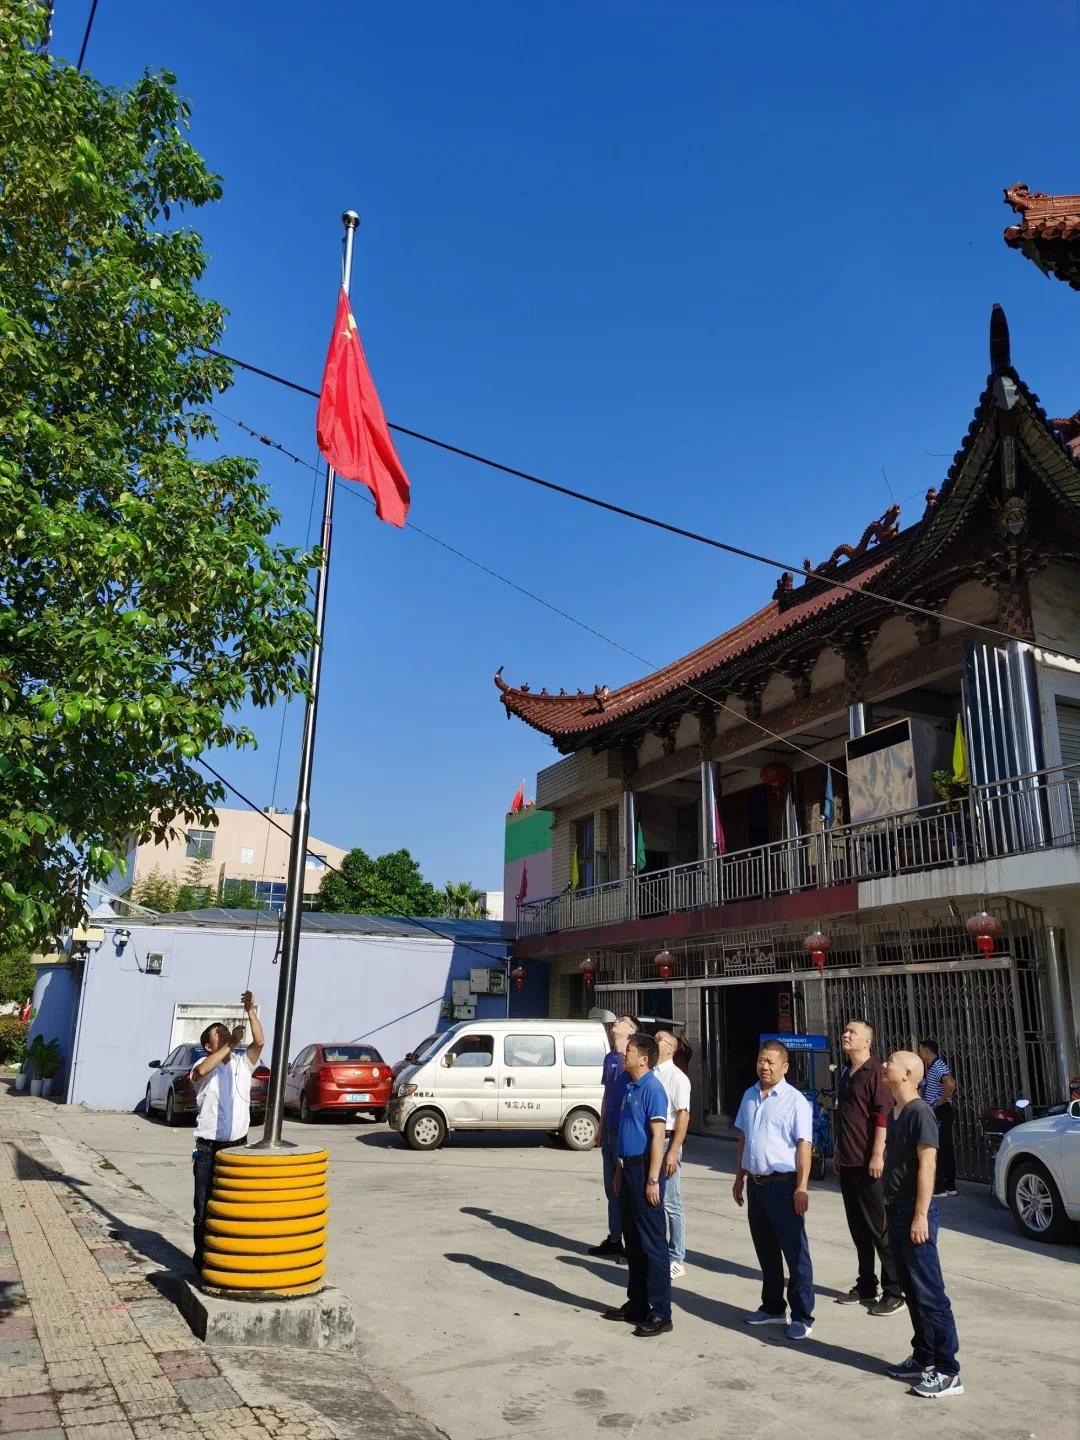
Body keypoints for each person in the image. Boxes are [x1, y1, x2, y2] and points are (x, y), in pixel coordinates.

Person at [881, 1050, 963, 1399]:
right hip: (895, 1211)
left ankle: (948, 1371)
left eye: (892, 1061)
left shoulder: (920, 1113)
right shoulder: (896, 1112)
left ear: (910, 1073)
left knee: (930, 1293)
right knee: (912, 1291)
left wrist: (919, 1214)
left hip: (914, 1214)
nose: (886, 1064)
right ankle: (923, 1357)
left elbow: (927, 1167)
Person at [733, 1040, 815, 1341]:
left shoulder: (796, 1101)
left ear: (784, 1067)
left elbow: (804, 1146)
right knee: (766, 1251)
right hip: (756, 1185)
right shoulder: (749, 1096)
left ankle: (803, 1315)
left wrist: (802, 1187)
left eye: (770, 1062)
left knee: (795, 1253)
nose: (764, 1066)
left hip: (784, 1186)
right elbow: (744, 1138)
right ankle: (772, 1307)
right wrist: (739, 1176)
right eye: (761, 1060)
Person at [602, 1032, 672, 1337]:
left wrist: (653, 1179)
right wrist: (619, 1169)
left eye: (629, 1051)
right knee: (633, 1242)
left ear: (643, 1058)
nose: (624, 1054)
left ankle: (661, 1312)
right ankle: (637, 1303)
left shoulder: (652, 1089)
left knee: (653, 1244)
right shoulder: (630, 1087)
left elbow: (658, 1137)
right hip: (628, 1169)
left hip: (646, 1170)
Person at [190, 991, 264, 1271]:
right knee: (204, 1207)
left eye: (225, 1032)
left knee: (234, 1206)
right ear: (209, 1046)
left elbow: (259, 1042)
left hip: (237, 1146)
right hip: (208, 1148)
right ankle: (203, 1262)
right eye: (218, 1034)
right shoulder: (202, 1065)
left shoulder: (242, 1064)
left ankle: (229, 1260)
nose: (223, 1034)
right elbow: (201, 1072)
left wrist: (250, 1011)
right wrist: (230, 1043)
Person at [833, 1019, 904, 1314]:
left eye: (853, 1033)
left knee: (879, 1227)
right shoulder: (847, 1073)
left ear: (867, 1041)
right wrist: (837, 1151)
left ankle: (895, 1289)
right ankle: (866, 1284)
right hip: (847, 1161)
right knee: (858, 1228)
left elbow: (882, 1116)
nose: (846, 1035)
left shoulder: (875, 1072)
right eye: (845, 1031)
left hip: (869, 1164)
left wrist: (878, 1154)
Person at [589, 1013, 639, 1260]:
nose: (616, 1022)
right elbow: (608, 1093)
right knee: (611, 1187)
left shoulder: (634, 1063)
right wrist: (600, 1124)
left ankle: (632, 1241)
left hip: (623, 1131)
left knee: (626, 1187)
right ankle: (614, 1238)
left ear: (631, 1031)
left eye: (622, 1021)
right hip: (608, 1128)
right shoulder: (610, 1058)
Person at [654, 1029, 691, 1279]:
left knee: (671, 1201)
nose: (654, 1042)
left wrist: (673, 1150)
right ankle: (658, 1252)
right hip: (652, 1140)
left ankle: (677, 1257)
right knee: (653, 1197)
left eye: (659, 1039)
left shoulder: (677, 1077)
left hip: (668, 1141)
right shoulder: (650, 1075)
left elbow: (683, 1115)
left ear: (670, 1048)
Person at [918, 1040, 957, 1196]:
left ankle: (941, 1187)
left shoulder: (938, 1066)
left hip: (941, 1111)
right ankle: (950, 1185)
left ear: (927, 1051)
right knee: (945, 1147)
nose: (920, 1054)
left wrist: (940, 1101)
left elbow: (950, 1083)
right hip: (940, 1111)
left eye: (921, 1051)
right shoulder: (933, 1067)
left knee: (939, 1148)